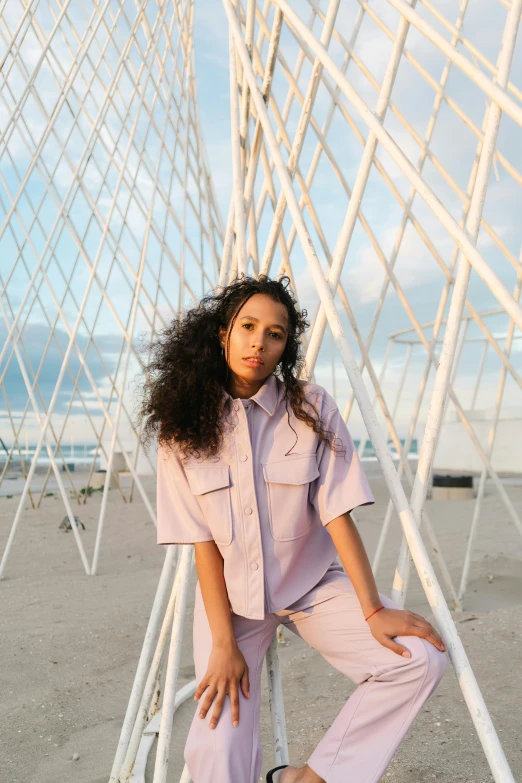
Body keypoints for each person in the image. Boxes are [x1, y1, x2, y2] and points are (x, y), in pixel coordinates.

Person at [139, 274, 447, 783]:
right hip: (233, 602)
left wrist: (373, 609)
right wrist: (222, 644)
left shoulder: (310, 407)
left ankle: (306, 779)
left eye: (275, 334)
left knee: (419, 659)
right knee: (216, 752)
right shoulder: (182, 426)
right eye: (248, 326)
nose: (259, 342)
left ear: (285, 347)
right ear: (223, 333)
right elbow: (203, 546)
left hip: (311, 586)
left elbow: (337, 513)